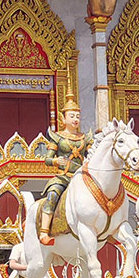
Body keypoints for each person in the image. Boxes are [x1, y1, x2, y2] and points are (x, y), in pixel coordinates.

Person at [38, 98, 92, 245]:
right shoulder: (57, 137)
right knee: (53, 194)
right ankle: (44, 231)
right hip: (64, 177)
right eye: (72, 116)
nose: (75, 119)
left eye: (78, 116)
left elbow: (92, 153)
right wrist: (56, 161)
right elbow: (47, 159)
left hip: (81, 177)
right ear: (63, 118)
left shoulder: (85, 138)